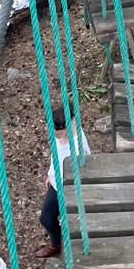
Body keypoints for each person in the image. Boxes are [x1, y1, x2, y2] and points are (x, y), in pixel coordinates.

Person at [38, 106, 91, 260]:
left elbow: (83, 166)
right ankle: (56, 244)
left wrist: (73, 130)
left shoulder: (78, 144)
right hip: (56, 185)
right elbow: (56, 158)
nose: (55, 134)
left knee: (74, 222)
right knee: (46, 219)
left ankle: (71, 245)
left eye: (58, 131)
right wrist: (50, 174)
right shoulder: (58, 136)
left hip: (70, 189)